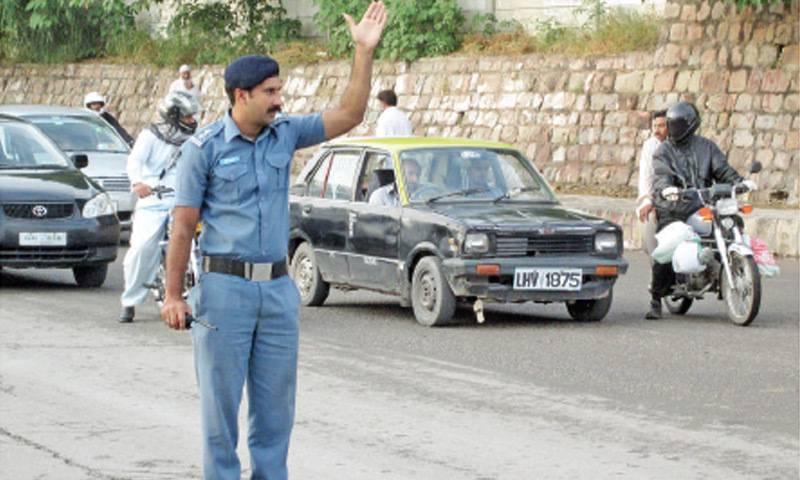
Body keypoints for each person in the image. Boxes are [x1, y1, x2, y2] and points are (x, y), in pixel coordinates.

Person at [160, 3, 387, 479]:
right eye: (270, 92)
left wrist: (363, 52)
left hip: (279, 292)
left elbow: (350, 113)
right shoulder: (204, 149)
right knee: (219, 416)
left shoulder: (284, 134)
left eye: (279, 90)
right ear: (240, 95)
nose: (280, 99)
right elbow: (182, 226)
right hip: (223, 292)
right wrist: (174, 295)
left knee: (276, 413)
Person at [648, 101, 757, 320]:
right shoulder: (663, 151)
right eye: (671, 124)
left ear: (690, 124)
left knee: (733, 221)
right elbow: (660, 177)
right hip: (674, 206)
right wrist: (668, 189)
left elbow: (723, 170)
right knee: (665, 248)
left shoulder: (706, 147)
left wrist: (741, 182)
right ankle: (656, 299)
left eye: (677, 124)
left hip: (704, 202)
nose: (674, 128)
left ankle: (727, 267)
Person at [118, 91, 200, 323]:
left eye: (193, 116)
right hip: (154, 197)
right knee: (142, 247)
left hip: (184, 197)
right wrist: (139, 183)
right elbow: (134, 162)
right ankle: (130, 300)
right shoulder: (150, 136)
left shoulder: (195, 138)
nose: (192, 121)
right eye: (187, 116)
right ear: (174, 116)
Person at [636, 110, 667, 256]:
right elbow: (646, 174)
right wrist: (648, 199)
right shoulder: (650, 146)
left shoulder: (683, 144)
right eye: (655, 126)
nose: (657, 130)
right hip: (658, 196)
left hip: (682, 196)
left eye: (661, 126)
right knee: (649, 217)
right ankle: (657, 263)